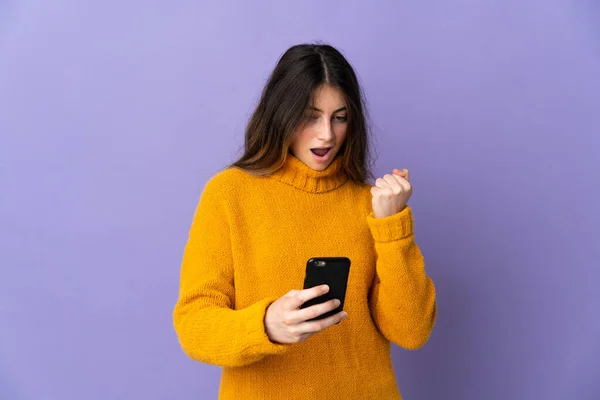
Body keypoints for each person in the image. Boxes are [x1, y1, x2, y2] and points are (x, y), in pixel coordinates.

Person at [173, 43, 437, 400]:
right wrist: (266, 325)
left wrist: (393, 229)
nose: (326, 134)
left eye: (339, 117)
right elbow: (194, 325)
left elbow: (412, 331)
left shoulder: (370, 204)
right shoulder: (230, 194)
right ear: (281, 113)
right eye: (311, 116)